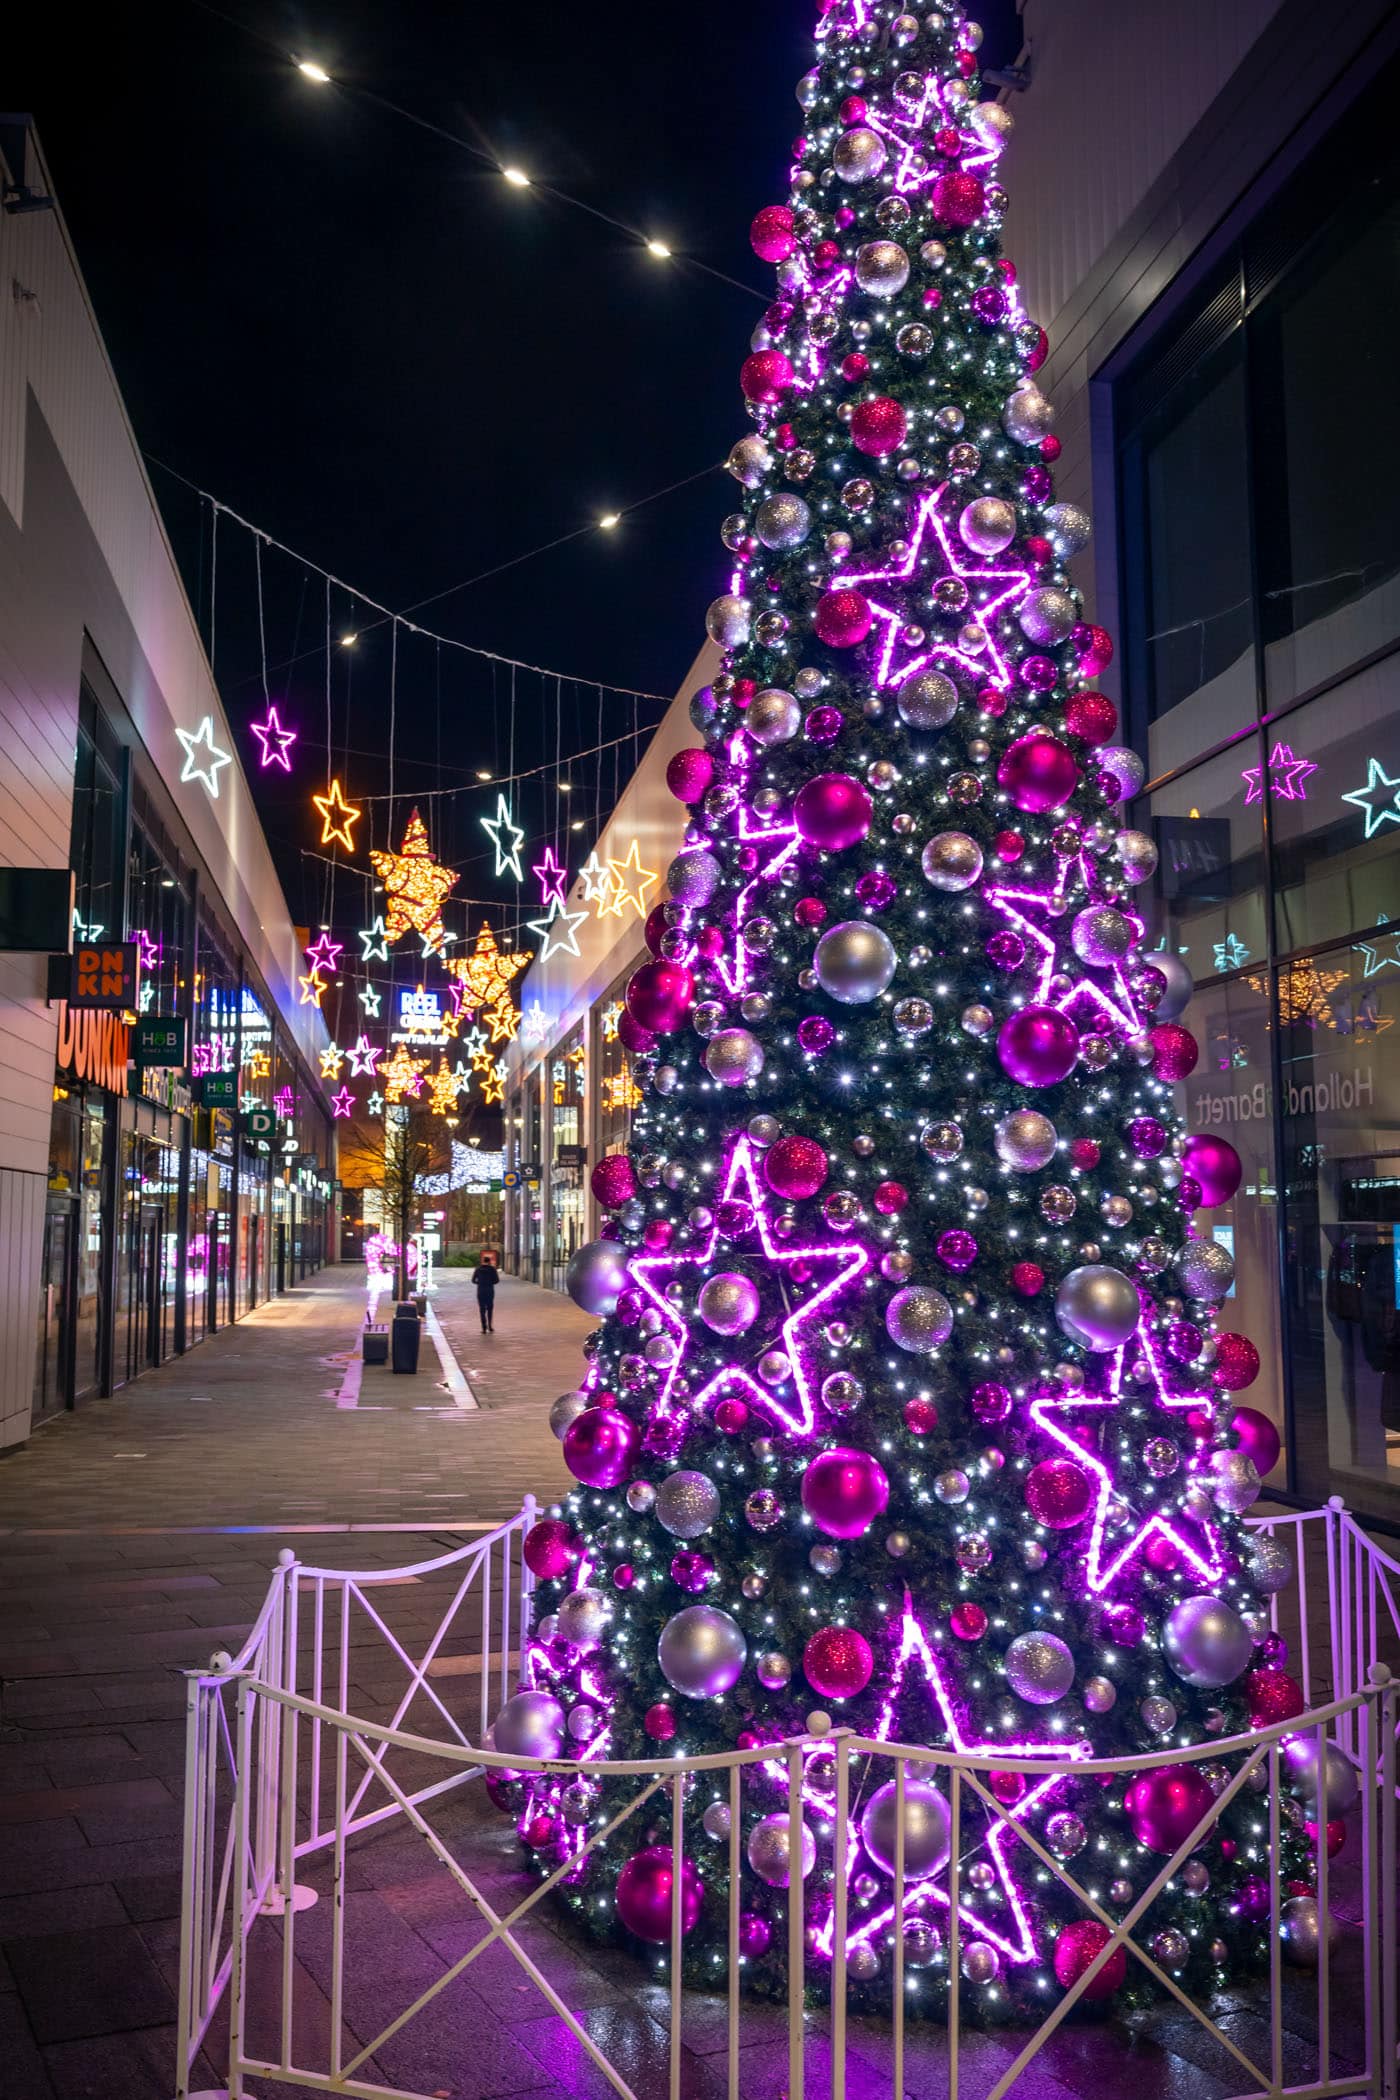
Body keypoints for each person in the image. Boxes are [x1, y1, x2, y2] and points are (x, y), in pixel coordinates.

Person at [473, 1250, 499, 1333]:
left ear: (483, 1261)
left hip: (480, 1291)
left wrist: (479, 1283)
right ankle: (490, 1326)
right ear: (489, 1262)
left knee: (482, 1309)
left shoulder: (478, 1269)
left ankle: (483, 1328)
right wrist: (490, 1282)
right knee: (490, 1308)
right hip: (489, 1291)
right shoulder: (492, 1269)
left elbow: (473, 1280)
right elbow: (496, 1280)